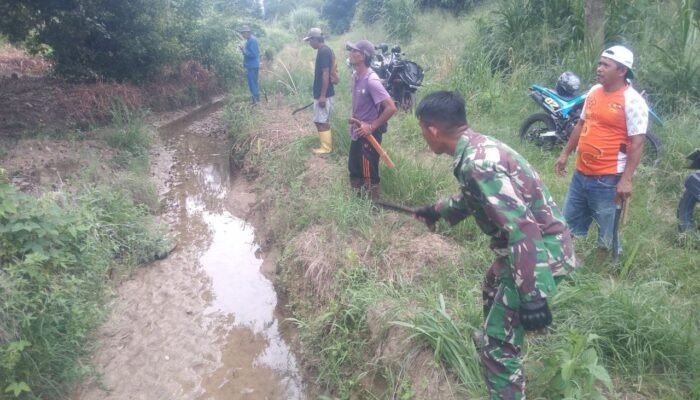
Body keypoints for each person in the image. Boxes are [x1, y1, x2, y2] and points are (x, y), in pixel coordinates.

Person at [413, 91, 576, 399]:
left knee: (497, 345)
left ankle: (498, 352)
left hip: (541, 251)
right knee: (492, 283)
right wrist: (436, 210)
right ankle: (494, 335)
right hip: (529, 245)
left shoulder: (478, 163)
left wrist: (532, 294)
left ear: (432, 129)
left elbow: (523, 228)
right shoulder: (477, 147)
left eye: (422, 130)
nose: (424, 137)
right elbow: (475, 198)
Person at [554, 45, 649, 257]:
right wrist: (564, 154)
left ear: (622, 71)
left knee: (607, 235)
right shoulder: (594, 93)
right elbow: (580, 125)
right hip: (580, 175)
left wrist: (626, 180)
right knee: (566, 226)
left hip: (608, 180)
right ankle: (565, 264)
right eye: (600, 63)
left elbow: (638, 143)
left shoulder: (632, 101)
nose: (599, 68)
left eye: (606, 65)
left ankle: (606, 274)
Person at [346, 39, 397, 200]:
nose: (351, 54)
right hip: (357, 132)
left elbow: (391, 107)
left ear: (362, 56)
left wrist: (372, 126)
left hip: (368, 135)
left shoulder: (371, 80)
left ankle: (373, 206)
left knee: (369, 172)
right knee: (354, 168)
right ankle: (358, 202)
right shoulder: (355, 76)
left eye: (354, 51)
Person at [303, 28, 335, 154]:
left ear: (315, 39)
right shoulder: (324, 50)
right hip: (324, 93)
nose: (309, 43)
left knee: (321, 121)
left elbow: (325, 73)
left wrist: (322, 96)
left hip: (324, 94)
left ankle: (326, 148)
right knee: (320, 120)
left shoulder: (323, 51)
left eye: (310, 40)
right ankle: (325, 146)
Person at [238, 25, 260, 104]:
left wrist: (243, 49)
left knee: (252, 83)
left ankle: (256, 100)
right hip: (252, 65)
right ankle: (255, 99)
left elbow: (253, 54)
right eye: (242, 33)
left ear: (248, 33)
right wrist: (243, 49)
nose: (243, 35)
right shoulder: (249, 40)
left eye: (243, 33)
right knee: (253, 82)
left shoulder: (252, 40)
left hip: (252, 66)